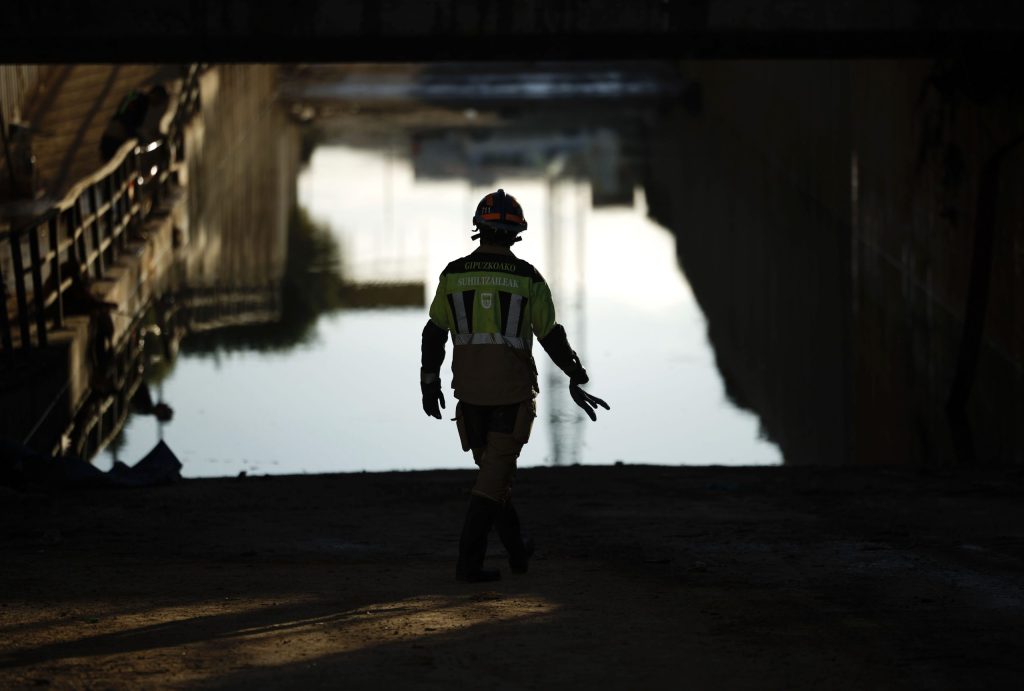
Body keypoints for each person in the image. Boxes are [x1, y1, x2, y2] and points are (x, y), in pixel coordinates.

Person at [420, 188, 609, 582]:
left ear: (478, 228)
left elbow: (434, 332)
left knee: (496, 476)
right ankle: (467, 565)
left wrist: (428, 380)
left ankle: (518, 551)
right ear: (518, 232)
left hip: (468, 397)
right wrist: (575, 372)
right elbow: (551, 334)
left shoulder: (452, 274)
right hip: (512, 397)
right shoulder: (528, 279)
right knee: (492, 481)